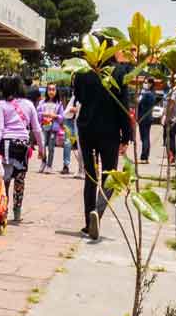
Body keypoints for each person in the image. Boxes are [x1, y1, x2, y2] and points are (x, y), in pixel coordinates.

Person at [73, 46, 132, 239]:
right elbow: (123, 105)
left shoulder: (83, 71)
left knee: (91, 177)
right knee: (110, 177)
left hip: (87, 130)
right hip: (110, 132)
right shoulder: (119, 71)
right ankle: (97, 212)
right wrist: (126, 136)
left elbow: (79, 97)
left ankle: (87, 222)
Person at [0, 76, 45, 223]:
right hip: (23, 145)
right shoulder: (29, 104)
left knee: (5, 180)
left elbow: (0, 128)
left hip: (7, 145)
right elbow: (36, 129)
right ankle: (17, 212)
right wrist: (41, 148)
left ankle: (3, 210)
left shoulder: (1, 104)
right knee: (20, 180)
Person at [36, 84, 65, 173]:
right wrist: (44, 114)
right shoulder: (42, 103)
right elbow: (37, 114)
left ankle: (49, 165)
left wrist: (55, 116)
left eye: (53, 90)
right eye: (49, 89)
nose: (51, 92)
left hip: (53, 128)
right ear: (47, 91)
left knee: (51, 147)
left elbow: (62, 116)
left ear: (56, 91)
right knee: (43, 145)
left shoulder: (59, 104)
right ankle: (43, 162)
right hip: (44, 127)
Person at [137, 78, 157, 164]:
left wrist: (137, 99)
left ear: (151, 84)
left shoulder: (147, 94)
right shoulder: (153, 93)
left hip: (144, 118)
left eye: (146, 83)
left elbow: (139, 103)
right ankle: (146, 156)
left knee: (144, 138)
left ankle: (144, 156)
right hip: (149, 118)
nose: (145, 84)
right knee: (147, 137)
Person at [162, 77, 176, 164]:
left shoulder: (174, 91)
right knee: (172, 138)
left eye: (170, 80)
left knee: (169, 139)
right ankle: (173, 156)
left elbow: (171, 105)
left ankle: (171, 156)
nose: (168, 82)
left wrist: (166, 118)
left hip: (172, 119)